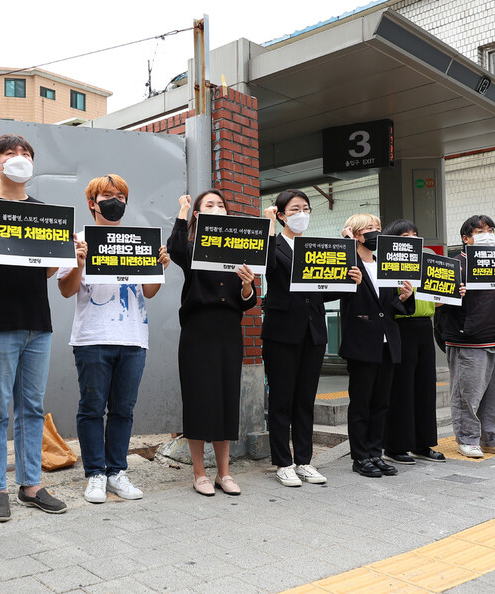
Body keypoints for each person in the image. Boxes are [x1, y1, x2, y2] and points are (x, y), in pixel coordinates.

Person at [0, 134, 66, 521]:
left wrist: (64, 251)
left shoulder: (42, 211)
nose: (20, 158)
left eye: (25, 154)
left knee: (32, 408)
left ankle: (31, 485)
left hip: (39, 322)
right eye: (11, 153)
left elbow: (51, 271)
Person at [57, 174, 170, 503]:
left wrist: (158, 266)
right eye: (108, 195)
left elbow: (148, 290)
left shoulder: (139, 240)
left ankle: (116, 471)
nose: (116, 200)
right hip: (92, 337)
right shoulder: (78, 240)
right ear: (92, 202)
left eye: (121, 195)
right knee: (92, 408)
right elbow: (65, 290)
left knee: (123, 409)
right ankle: (94, 474)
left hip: (134, 337)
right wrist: (79, 262)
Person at [167, 190, 257, 497]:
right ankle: (199, 473)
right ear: (198, 215)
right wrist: (183, 209)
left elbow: (247, 302)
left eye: (221, 204)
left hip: (229, 332)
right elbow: (175, 247)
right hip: (197, 332)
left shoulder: (239, 254)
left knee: (225, 401)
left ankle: (224, 473)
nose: (217, 208)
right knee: (199, 401)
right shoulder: (192, 250)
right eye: (209, 205)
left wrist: (247, 287)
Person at [262, 190, 351, 487]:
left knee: (304, 400)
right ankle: (282, 462)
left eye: (307, 208)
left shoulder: (315, 248)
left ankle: (304, 461)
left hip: (313, 332)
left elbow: (323, 290)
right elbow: (269, 268)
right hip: (282, 333)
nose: (303, 214)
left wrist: (348, 281)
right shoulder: (274, 242)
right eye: (295, 208)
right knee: (282, 400)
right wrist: (269, 227)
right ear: (281, 213)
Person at [435, 215, 495, 458]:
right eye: (480, 230)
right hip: (468, 340)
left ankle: (492, 438)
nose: (487, 234)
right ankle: (467, 439)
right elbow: (439, 305)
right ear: (466, 238)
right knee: (467, 394)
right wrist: (454, 294)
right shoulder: (454, 265)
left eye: (490, 229)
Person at [339, 214, 413, 478]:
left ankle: (375, 453)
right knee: (361, 403)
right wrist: (347, 243)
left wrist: (404, 298)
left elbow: (393, 307)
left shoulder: (386, 264)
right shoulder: (350, 263)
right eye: (369, 229)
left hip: (387, 341)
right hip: (361, 342)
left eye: (379, 228)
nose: (376, 233)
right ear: (356, 234)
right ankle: (360, 456)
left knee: (381, 402)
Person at [382, 219, 446, 464]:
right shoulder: (387, 263)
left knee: (425, 387)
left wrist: (452, 292)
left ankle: (423, 443)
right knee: (401, 388)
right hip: (399, 326)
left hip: (423, 327)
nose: (411, 239)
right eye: (404, 235)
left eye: (414, 234)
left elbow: (436, 301)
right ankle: (396, 446)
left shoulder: (426, 262)